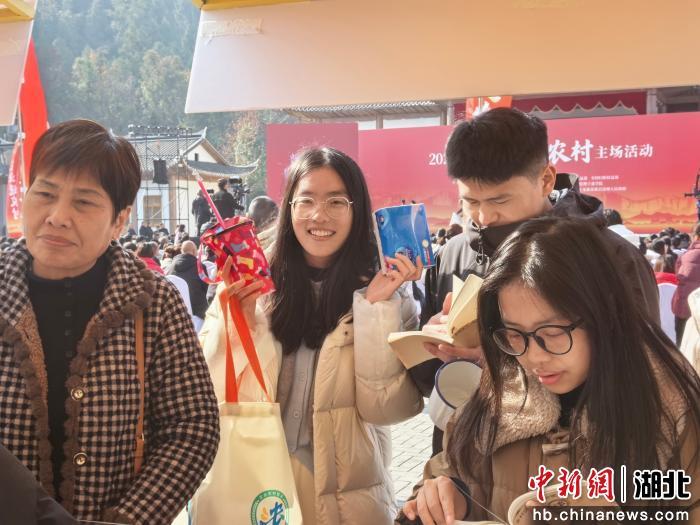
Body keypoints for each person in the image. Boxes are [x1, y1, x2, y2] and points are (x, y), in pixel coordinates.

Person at [399, 217, 700, 525]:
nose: (533, 357)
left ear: (604, 313)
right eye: (514, 333)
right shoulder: (494, 399)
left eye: (552, 332)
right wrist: (448, 496)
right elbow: (447, 472)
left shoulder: (668, 413)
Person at [0, 119, 219, 523]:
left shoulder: (152, 301)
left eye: (83, 202)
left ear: (120, 220)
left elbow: (192, 426)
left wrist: (128, 519)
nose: (57, 216)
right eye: (45, 193)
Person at [413, 108, 660, 454]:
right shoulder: (454, 253)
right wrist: (433, 344)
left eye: (499, 199)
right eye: (470, 201)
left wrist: (500, 361)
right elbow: (426, 381)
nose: (484, 216)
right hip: (464, 456)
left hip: (570, 462)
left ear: (546, 179)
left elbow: (642, 376)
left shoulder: (611, 258)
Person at [200, 147, 424, 525]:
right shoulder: (248, 284)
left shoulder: (388, 292)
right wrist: (240, 320)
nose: (319, 216)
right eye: (306, 200)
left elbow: (386, 409)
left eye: (336, 201)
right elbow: (211, 395)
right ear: (289, 207)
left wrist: (375, 309)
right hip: (257, 490)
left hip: (347, 502)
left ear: (357, 210)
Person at [672, 222, 700, 346]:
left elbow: (678, 275)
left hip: (684, 308)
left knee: (682, 346)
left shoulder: (685, 256)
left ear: (695, 236)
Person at [167, 240, 208, 320]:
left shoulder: (171, 266)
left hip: (177, 310)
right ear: (194, 251)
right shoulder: (200, 267)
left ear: (182, 251)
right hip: (198, 312)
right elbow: (207, 289)